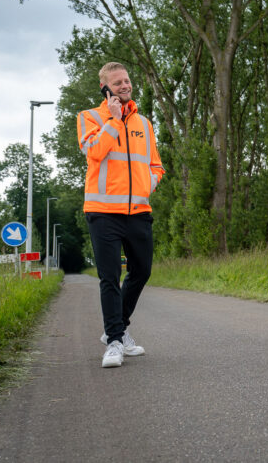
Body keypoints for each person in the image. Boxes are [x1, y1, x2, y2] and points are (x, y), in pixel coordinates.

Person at [77, 62, 165, 368]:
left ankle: (118, 327)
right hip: (103, 212)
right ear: (105, 89)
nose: (124, 86)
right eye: (117, 83)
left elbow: (156, 166)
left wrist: (144, 188)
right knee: (110, 276)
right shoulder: (88, 117)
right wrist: (113, 121)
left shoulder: (145, 123)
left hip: (138, 211)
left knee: (142, 270)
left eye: (126, 81)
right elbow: (94, 152)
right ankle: (114, 342)